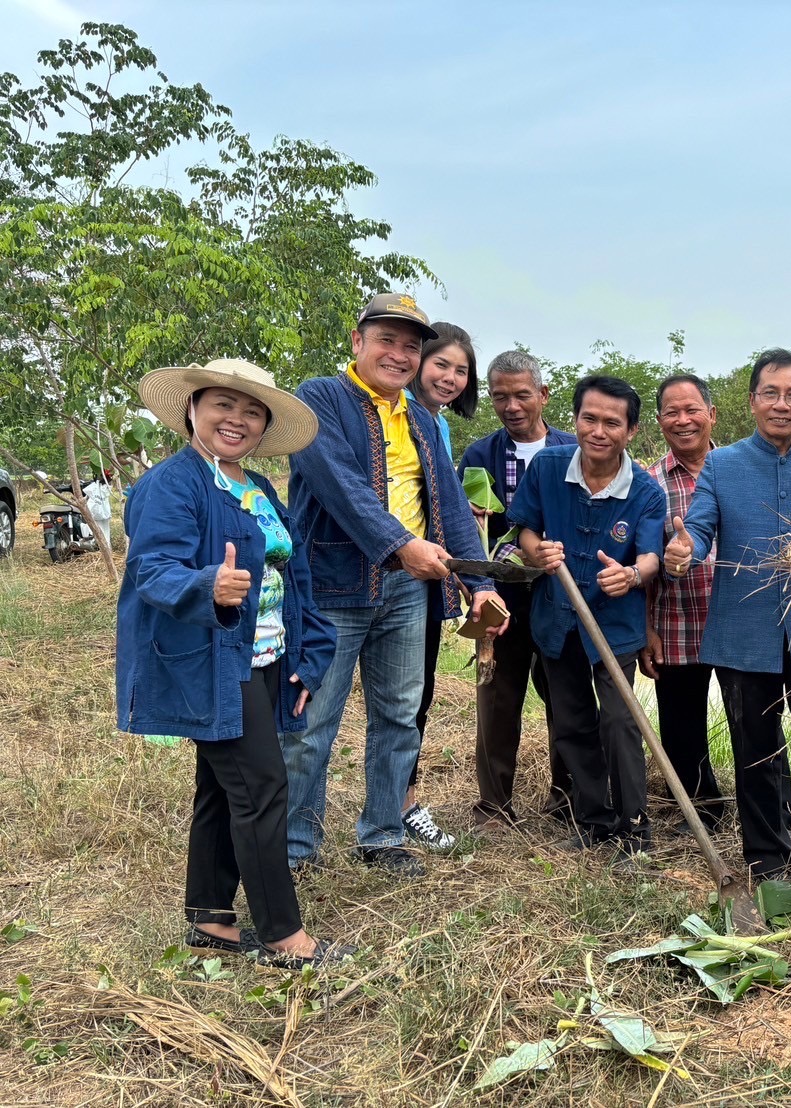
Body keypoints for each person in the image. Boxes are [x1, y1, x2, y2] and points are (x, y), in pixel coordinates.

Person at [118, 358, 349, 967]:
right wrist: (206, 586)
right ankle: (283, 936)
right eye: (223, 404)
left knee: (222, 787)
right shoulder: (173, 483)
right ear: (192, 409)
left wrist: (308, 652)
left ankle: (211, 918)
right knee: (262, 787)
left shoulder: (258, 488)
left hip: (265, 655)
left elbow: (292, 577)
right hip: (212, 657)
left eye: (252, 411)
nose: (237, 419)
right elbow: (152, 569)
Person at [285, 293, 506, 879]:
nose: (399, 354)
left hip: (408, 591)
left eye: (411, 345)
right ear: (357, 342)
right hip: (333, 586)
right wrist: (401, 545)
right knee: (312, 723)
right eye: (387, 340)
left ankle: (382, 835)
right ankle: (294, 847)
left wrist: (478, 581)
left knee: (399, 716)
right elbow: (340, 486)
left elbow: (452, 507)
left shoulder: (421, 419)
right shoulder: (319, 399)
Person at [664, 349, 791, 881]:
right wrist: (684, 549)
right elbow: (700, 527)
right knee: (757, 751)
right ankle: (769, 859)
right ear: (752, 401)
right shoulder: (723, 464)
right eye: (771, 393)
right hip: (742, 636)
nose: (782, 404)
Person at [507, 375, 666, 854]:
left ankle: (634, 826)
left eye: (612, 423)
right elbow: (523, 530)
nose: (598, 431)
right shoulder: (548, 467)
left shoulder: (646, 491)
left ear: (631, 430)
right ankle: (595, 819)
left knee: (619, 720)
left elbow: (652, 557)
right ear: (574, 420)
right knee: (571, 721)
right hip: (557, 618)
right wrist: (537, 552)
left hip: (615, 625)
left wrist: (632, 576)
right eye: (589, 418)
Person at [459, 349, 577, 826]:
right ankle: (494, 803)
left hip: (558, 590)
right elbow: (469, 529)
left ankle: (567, 799)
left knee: (566, 694)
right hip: (500, 592)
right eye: (500, 396)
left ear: (543, 395)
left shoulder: (572, 449)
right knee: (497, 694)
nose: (511, 406)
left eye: (522, 395)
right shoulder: (480, 455)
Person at [401, 321, 481, 853]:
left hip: (425, 576)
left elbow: (438, 497)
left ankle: (400, 804)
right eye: (442, 364)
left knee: (415, 697)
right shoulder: (392, 412)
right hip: (380, 574)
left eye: (461, 370)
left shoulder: (438, 425)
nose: (450, 378)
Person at [638, 374, 725, 832]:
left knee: (752, 721)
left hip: (737, 624)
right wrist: (646, 629)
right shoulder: (649, 482)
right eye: (672, 412)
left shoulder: (737, 469)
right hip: (676, 622)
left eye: (692, 410)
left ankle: (760, 805)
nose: (683, 420)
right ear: (659, 421)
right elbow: (644, 558)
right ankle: (699, 811)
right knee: (681, 724)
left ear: (711, 415)